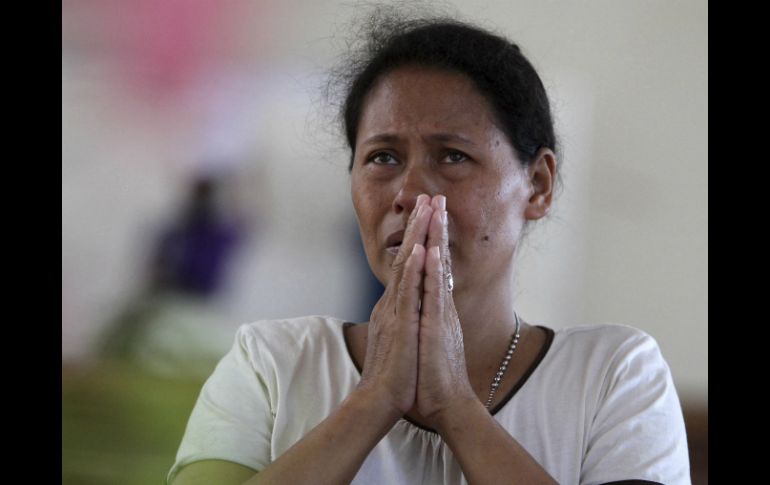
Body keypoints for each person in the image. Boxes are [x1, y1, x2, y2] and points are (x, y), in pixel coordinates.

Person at [168, 13, 691, 485]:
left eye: (453, 156)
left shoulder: (613, 375)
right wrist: (374, 399)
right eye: (383, 157)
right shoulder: (272, 366)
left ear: (537, 185)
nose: (409, 193)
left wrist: (455, 406)